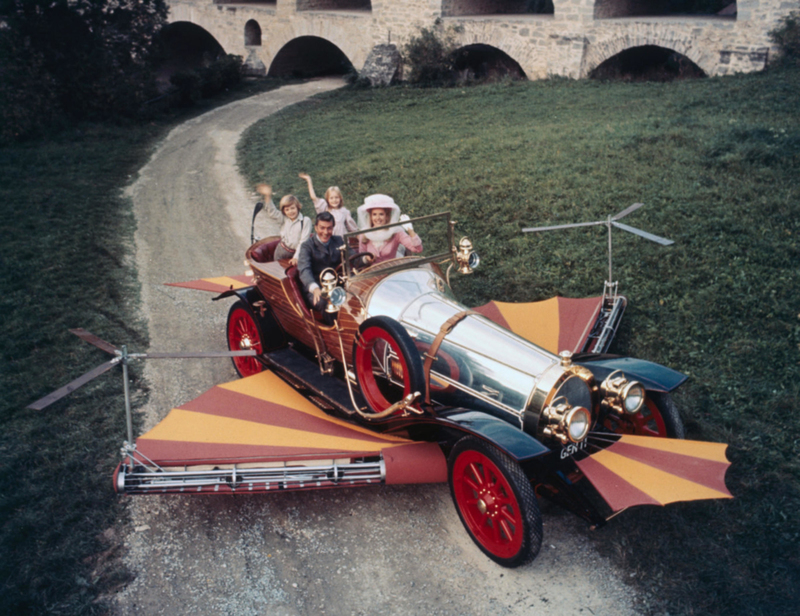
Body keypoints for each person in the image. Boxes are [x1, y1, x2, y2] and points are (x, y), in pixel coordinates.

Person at [297, 211, 345, 314]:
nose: (326, 232)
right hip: (316, 287)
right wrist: (315, 288)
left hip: (337, 284)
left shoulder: (338, 240)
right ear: (316, 228)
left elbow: (352, 256)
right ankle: (334, 328)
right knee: (325, 302)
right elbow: (304, 269)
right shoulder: (307, 246)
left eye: (329, 228)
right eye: (322, 228)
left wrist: (365, 259)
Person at [357, 194, 422, 264]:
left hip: (391, 271)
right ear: (370, 217)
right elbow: (361, 258)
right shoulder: (365, 234)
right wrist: (366, 259)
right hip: (372, 272)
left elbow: (418, 249)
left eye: (381, 214)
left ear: (387, 216)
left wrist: (410, 229)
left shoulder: (396, 232)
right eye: (374, 214)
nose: (378, 218)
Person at [256, 184, 311, 266]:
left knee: (291, 273)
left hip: (296, 253)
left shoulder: (305, 221)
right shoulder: (284, 218)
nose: (290, 212)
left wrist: (296, 257)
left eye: (292, 208)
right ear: (284, 211)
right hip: (281, 250)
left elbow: (303, 242)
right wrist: (268, 196)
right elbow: (272, 212)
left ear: (298, 207)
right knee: (277, 270)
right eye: (287, 209)